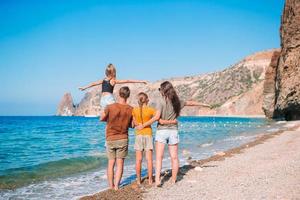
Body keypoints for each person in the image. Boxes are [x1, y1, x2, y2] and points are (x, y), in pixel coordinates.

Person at [137, 81, 210, 187]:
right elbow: (191, 103)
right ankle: (174, 179)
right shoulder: (177, 102)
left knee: (159, 157)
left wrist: (143, 125)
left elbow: (157, 118)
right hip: (173, 131)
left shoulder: (161, 101)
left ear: (163, 91)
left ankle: (157, 180)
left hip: (161, 131)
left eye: (160, 90)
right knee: (174, 157)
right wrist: (204, 104)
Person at [132, 92, 176, 185]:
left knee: (138, 160)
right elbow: (158, 118)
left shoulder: (134, 110)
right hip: (148, 134)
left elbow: (134, 122)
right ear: (147, 100)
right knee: (149, 159)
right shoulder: (151, 110)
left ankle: (139, 180)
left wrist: (139, 125)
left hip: (138, 135)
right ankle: (151, 180)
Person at [100, 86, 133, 190]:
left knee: (111, 163)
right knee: (120, 164)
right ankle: (117, 186)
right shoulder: (130, 109)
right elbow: (132, 125)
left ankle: (111, 186)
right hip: (123, 138)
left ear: (119, 94)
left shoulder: (110, 107)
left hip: (110, 138)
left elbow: (102, 119)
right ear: (128, 96)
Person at [79, 63, 147, 114]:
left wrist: (84, 87)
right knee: (117, 113)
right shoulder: (113, 80)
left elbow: (93, 83)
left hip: (102, 100)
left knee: (108, 117)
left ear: (106, 72)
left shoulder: (103, 80)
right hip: (109, 98)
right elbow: (127, 80)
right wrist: (141, 81)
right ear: (113, 72)